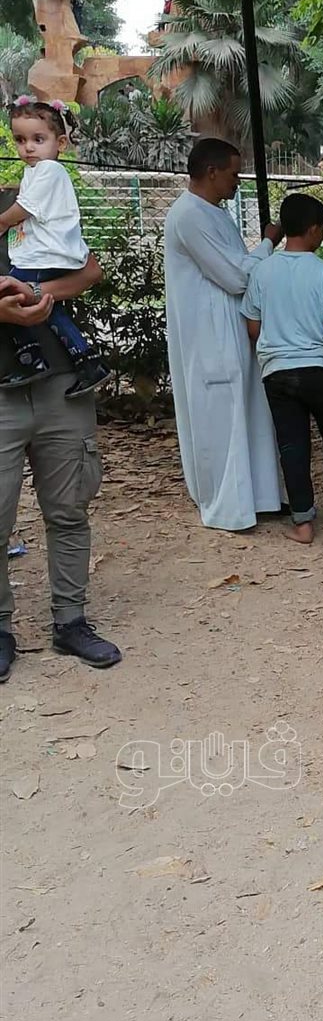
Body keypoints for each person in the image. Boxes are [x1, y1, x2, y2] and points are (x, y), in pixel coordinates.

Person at [0, 265, 121, 681]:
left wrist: (34, 291)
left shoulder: (33, 206)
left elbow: (89, 271)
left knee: (70, 508)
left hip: (62, 385)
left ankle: (71, 622)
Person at [163, 139, 284, 530]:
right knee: (220, 416)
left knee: (247, 409)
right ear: (212, 172)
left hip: (230, 328)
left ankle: (259, 497)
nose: (237, 181)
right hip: (207, 334)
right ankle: (228, 506)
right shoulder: (188, 215)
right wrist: (267, 242)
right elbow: (234, 276)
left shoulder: (214, 212)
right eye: (233, 174)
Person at [240, 194, 323, 545]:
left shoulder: (262, 271)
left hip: (277, 371)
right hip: (319, 369)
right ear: (314, 229)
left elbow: (252, 327)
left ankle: (303, 522)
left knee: (292, 445)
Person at [0, 98, 109, 393]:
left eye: (38, 139)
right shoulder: (35, 172)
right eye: (20, 140)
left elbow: (24, 207)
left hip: (46, 256)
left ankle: (32, 357)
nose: (28, 148)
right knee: (52, 310)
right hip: (48, 256)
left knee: (12, 292)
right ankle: (87, 361)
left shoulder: (49, 170)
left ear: (60, 142)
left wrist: (3, 222)